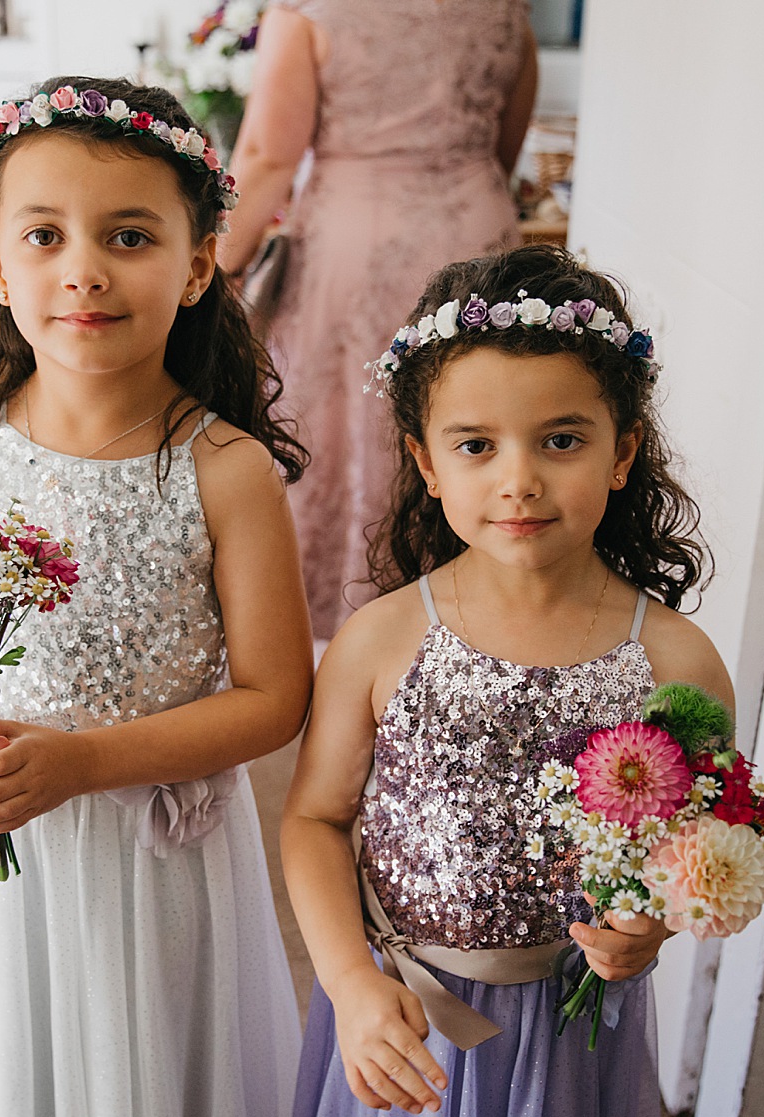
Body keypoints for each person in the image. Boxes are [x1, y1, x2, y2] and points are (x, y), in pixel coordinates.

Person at [0, 76, 311, 1117]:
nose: (82, 270)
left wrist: (83, 762)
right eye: (42, 235)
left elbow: (272, 696)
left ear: (197, 262)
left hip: (153, 853)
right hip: (4, 845)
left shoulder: (222, 467)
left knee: (151, 1070)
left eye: (128, 236)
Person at [281, 245, 730, 1117]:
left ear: (621, 451)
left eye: (561, 440)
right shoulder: (381, 640)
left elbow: (699, 841)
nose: (518, 479)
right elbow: (313, 819)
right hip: (404, 1024)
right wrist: (350, 982)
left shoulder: (676, 661)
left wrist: (654, 928)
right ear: (427, 461)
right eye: (477, 445)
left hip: (572, 1037)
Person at [216, 0, 539, 639]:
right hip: (477, 237)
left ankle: (341, 629)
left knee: (348, 428)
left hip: (353, 245)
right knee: (471, 419)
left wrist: (217, 263)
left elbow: (267, 155)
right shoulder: (506, 9)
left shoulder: (306, 9)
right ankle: (460, 619)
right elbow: (506, 143)